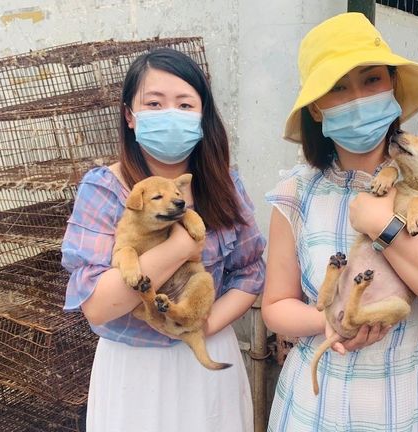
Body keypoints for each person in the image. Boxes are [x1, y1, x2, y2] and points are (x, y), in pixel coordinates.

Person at [262, 13, 418, 431]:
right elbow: (275, 306)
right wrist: (332, 320)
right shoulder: (296, 194)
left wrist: (385, 228)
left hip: (417, 402)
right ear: (316, 107)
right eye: (337, 87)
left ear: (392, 87)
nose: (357, 98)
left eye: (371, 80)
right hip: (320, 405)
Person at [61, 48, 266, 432]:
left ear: (203, 117)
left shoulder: (224, 185)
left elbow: (250, 274)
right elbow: (97, 306)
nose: (170, 114)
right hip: (132, 368)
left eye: (185, 104)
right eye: (154, 103)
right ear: (130, 115)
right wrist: (179, 247)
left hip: (207, 354)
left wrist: (198, 327)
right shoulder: (106, 189)